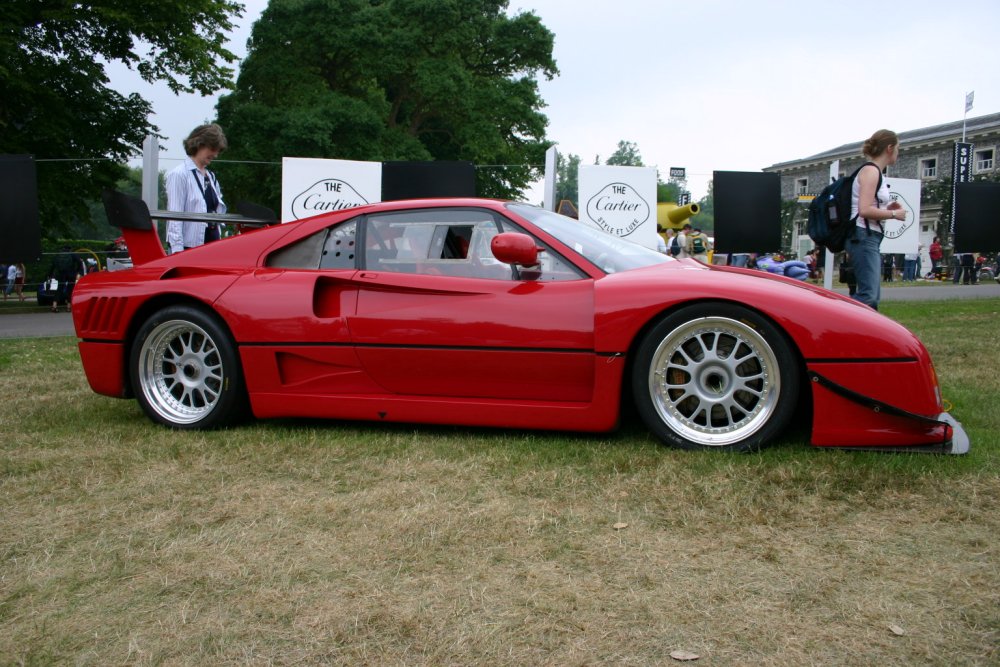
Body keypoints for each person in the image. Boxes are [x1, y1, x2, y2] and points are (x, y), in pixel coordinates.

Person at [847, 129, 904, 310]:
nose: (898, 153)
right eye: (897, 148)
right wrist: (894, 214)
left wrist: (885, 209)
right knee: (868, 295)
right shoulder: (871, 172)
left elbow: (866, 205)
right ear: (889, 148)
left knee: (872, 295)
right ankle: (844, 329)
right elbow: (864, 210)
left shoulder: (873, 172)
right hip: (863, 235)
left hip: (866, 235)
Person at [166, 123, 228, 254]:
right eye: (213, 148)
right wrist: (177, 251)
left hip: (212, 245)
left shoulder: (211, 177)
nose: (215, 154)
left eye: (217, 150)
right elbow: (175, 216)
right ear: (199, 144)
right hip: (189, 248)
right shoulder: (179, 174)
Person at [48, 246, 84, 312]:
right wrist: (79, 272)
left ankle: (54, 306)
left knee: (59, 289)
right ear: (70, 249)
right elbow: (79, 262)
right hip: (71, 274)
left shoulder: (58, 255)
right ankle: (68, 307)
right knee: (70, 290)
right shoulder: (72, 254)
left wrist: (50, 275)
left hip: (60, 274)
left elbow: (53, 265)